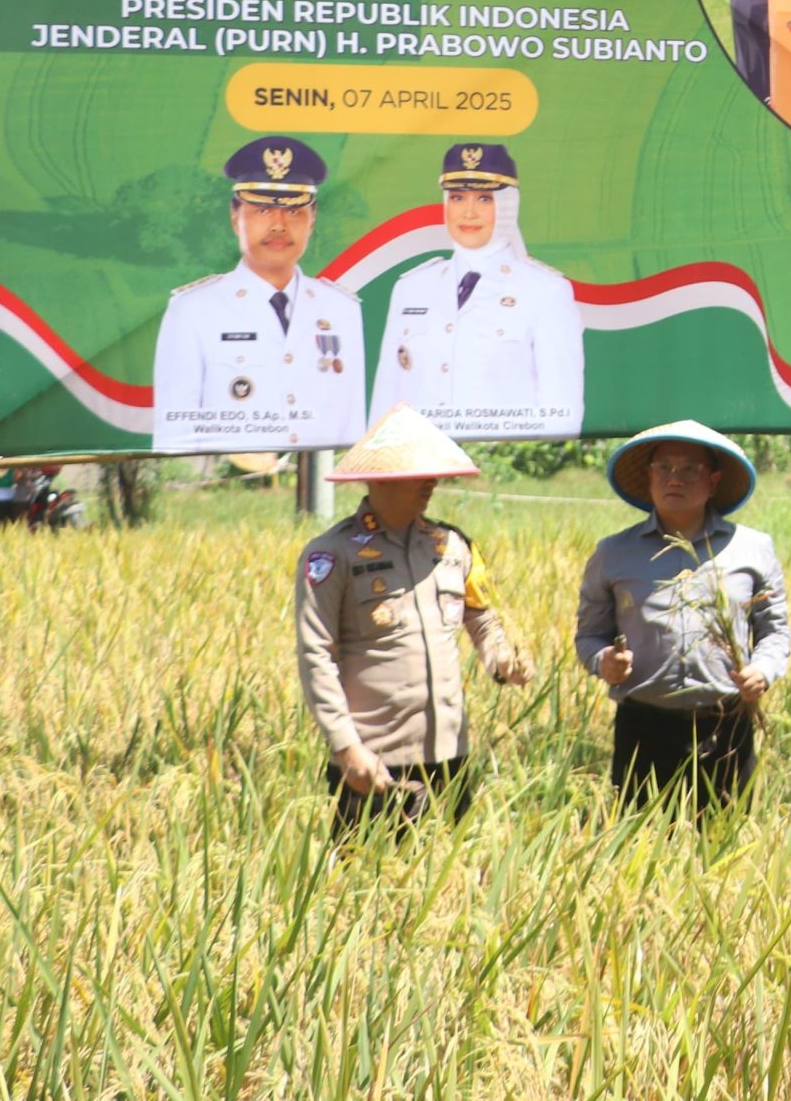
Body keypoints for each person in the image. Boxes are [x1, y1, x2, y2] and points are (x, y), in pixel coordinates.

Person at [293, 405, 532, 836]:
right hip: (376, 762)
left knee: (451, 873)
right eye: (418, 472)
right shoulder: (332, 554)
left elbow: (483, 619)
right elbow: (316, 657)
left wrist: (502, 660)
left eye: (434, 472)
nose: (431, 482)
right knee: (368, 873)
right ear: (381, 478)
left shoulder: (453, 546)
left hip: (450, 753)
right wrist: (347, 748)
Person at [574, 421, 791, 815]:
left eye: (690, 469)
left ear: (713, 481)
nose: (675, 478)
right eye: (664, 468)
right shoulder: (613, 553)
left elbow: (775, 632)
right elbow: (589, 635)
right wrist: (604, 661)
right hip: (644, 727)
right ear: (648, 477)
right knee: (640, 842)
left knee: (725, 844)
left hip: (725, 726)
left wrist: (762, 670)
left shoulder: (752, 548)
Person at [153, 136, 365, 451]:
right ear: (235, 217)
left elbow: (354, 430)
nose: (279, 225)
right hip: (226, 479)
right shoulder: (193, 310)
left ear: (312, 220)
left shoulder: (342, 309)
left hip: (325, 479)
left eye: (294, 211)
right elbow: (175, 436)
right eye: (263, 210)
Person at [370, 143, 584, 439]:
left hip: (499, 455)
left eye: (484, 199)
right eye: (457, 198)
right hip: (416, 457)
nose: (468, 213)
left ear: (507, 206)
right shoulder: (411, 288)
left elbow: (561, 413)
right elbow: (385, 401)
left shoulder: (545, 291)